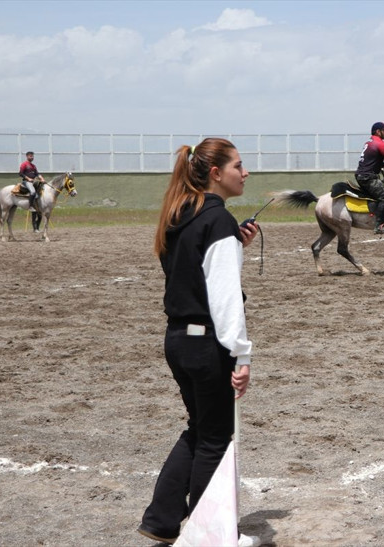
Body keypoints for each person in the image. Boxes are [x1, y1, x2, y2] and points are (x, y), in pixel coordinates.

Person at [138, 138, 260, 547]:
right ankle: (211, 535)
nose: (245, 173)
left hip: (178, 341)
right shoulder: (217, 220)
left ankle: (162, 520)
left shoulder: (180, 215)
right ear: (215, 173)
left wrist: (234, 248)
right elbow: (224, 298)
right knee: (215, 439)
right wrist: (242, 354)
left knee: (201, 429)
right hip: (208, 345)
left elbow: (195, 275)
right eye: (238, 166)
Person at [355, 122, 384, 234]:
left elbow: (372, 160)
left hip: (362, 175)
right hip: (368, 177)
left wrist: (383, 165)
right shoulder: (380, 143)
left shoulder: (369, 143)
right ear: (378, 131)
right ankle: (378, 226)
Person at [19, 151, 44, 232]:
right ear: (27, 156)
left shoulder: (33, 166)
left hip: (33, 182)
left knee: (40, 193)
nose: (32, 157)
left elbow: (37, 174)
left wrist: (41, 178)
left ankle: (36, 226)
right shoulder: (24, 164)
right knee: (33, 192)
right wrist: (28, 178)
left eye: (32, 156)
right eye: (30, 156)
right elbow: (20, 173)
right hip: (26, 182)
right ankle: (30, 206)